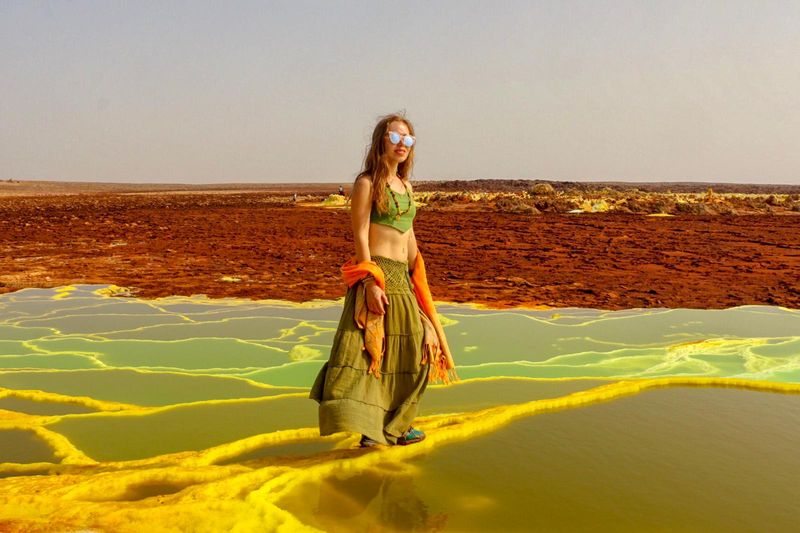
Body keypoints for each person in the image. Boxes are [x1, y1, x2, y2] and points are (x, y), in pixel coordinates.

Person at [309, 113, 456, 448]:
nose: (402, 145)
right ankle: (371, 429)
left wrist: (417, 273)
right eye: (395, 137)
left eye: (408, 140)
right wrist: (370, 281)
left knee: (413, 351)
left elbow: (410, 236)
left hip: (402, 279)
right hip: (378, 273)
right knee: (369, 356)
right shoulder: (366, 183)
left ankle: (396, 425)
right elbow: (360, 233)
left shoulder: (406, 187)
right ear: (381, 140)